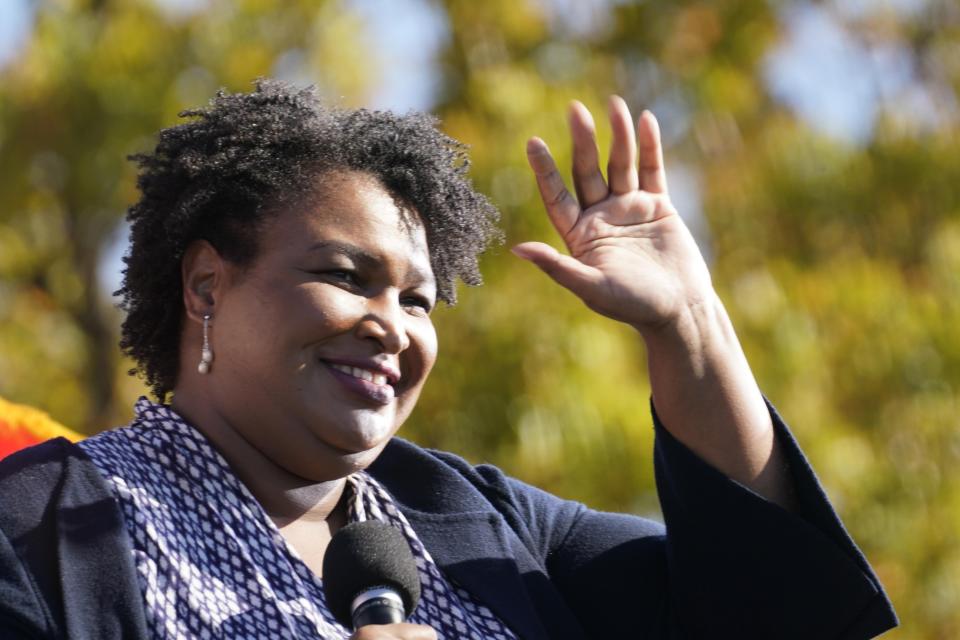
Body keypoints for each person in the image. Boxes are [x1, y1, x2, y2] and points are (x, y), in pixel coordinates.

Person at [0, 81, 896, 640]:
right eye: (346, 276)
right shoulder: (34, 529)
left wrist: (689, 325)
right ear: (205, 287)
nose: (393, 325)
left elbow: (774, 613)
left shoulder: (480, 523)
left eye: (419, 299)